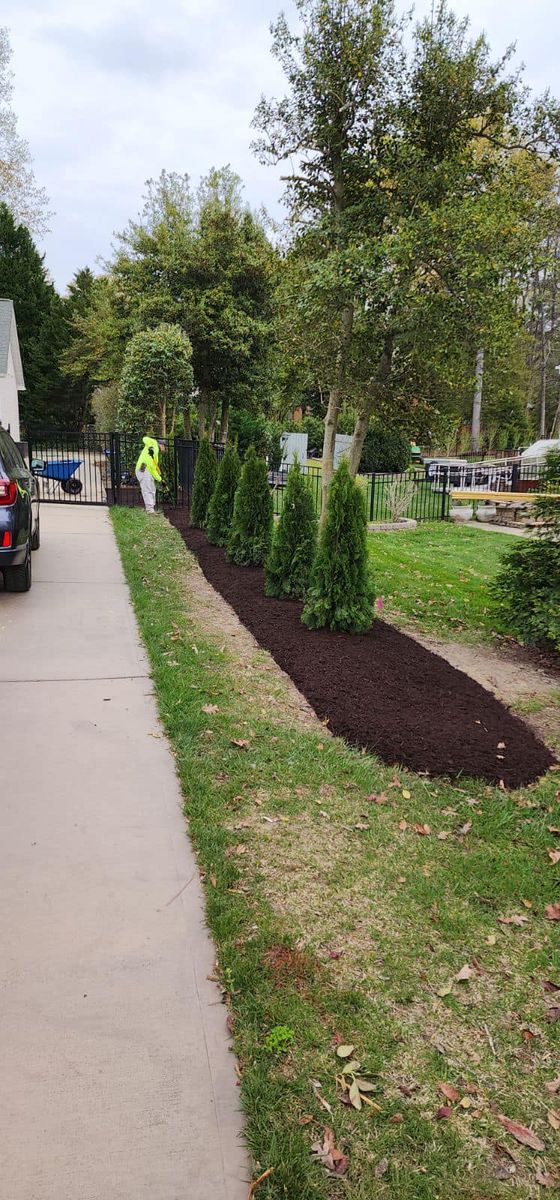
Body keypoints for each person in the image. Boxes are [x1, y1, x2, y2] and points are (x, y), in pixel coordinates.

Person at [135, 435, 166, 512]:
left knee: (152, 489)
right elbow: (144, 438)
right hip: (143, 469)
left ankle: (151, 507)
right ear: (161, 445)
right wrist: (153, 443)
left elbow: (153, 469)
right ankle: (149, 510)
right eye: (165, 447)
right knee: (147, 489)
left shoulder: (156, 454)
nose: (165, 449)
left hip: (148, 471)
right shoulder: (153, 445)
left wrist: (161, 480)